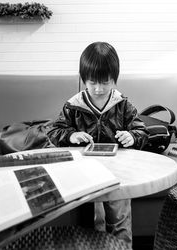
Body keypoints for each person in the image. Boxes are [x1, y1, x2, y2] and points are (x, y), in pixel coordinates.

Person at [47, 41, 149, 245]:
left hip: (118, 173)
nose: (99, 89)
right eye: (93, 82)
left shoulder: (123, 105)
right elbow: (54, 131)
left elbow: (141, 132)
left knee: (119, 221)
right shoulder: (73, 106)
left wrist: (132, 136)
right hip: (84, 174)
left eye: (106, 82)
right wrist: (71, 136)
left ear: (115, 80)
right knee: (91, 222)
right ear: (84, 79)